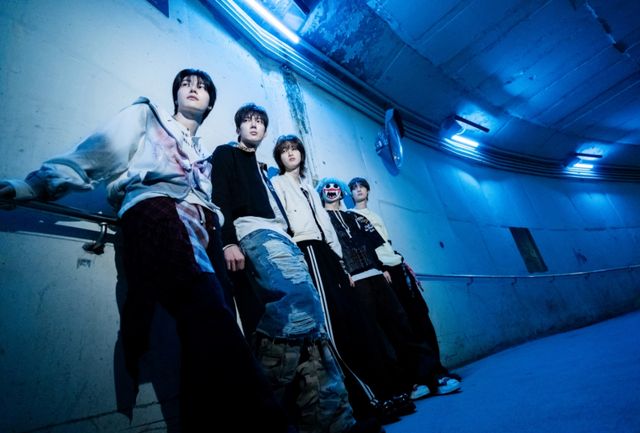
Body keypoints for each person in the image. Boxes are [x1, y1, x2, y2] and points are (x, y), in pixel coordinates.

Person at [0, 69, 287, 433]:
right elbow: (97, 152)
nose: (193, 88)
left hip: (205, 231)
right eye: (186, 84)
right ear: (175, 94)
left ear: (210, 104)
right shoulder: (147, 116)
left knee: (205, 334)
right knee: (212, 320)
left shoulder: (204, 156)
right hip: (160, 212)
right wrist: (35, 185)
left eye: (202, 87)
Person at [209, 104, 383, 433]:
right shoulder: (226, 154)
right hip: (253, 230)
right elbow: (220, 197)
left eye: (260, 121)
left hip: (282, 236)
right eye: (248, 120)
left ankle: (332, 420)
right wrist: (227, 241)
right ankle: (265, 412)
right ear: (238, 126)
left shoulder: (262, 169)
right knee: (297, 306)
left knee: (313, 324)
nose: (254, 125)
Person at [270, 135, 407, 424]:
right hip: (306, 249)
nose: (290, 153)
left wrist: (342, 265)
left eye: (294, 148)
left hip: (329, 256)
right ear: (278, 157)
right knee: (332, 329)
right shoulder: (278, 183)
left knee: (353, 323)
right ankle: (363, 403)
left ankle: (382, 393)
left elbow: (328, 231)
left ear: (302, 154)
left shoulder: (309, 187)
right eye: (284, 150)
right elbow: (281, 223)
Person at [319, 178, 454, 406]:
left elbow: (376, 244)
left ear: (341, 192)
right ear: (321, 193)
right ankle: (404, 386)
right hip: (355, 283)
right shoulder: (321, 221)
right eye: (327, 188)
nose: (332, 191)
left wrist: (382, 268)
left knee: (401, 325)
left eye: (335, 188)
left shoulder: (356, 217)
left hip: (376, 275)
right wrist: (343, 273)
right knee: (377, 337)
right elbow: (328, 251)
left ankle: (431, 376)